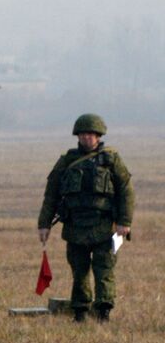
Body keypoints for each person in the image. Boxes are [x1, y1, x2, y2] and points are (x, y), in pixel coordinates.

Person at [37, 114, 134, 323]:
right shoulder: (66, 161)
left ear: (99, 136)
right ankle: (80, 310)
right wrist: (44, 224)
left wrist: (124, 222)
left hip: (105, 226)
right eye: (83, 134)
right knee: (79, 270)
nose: (87, 138)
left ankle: (103, 311)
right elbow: (51, 194)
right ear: (77, 136)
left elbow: (126, 191)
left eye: (91, 134)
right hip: (75, 227)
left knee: (104, 269)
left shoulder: (111, 160)